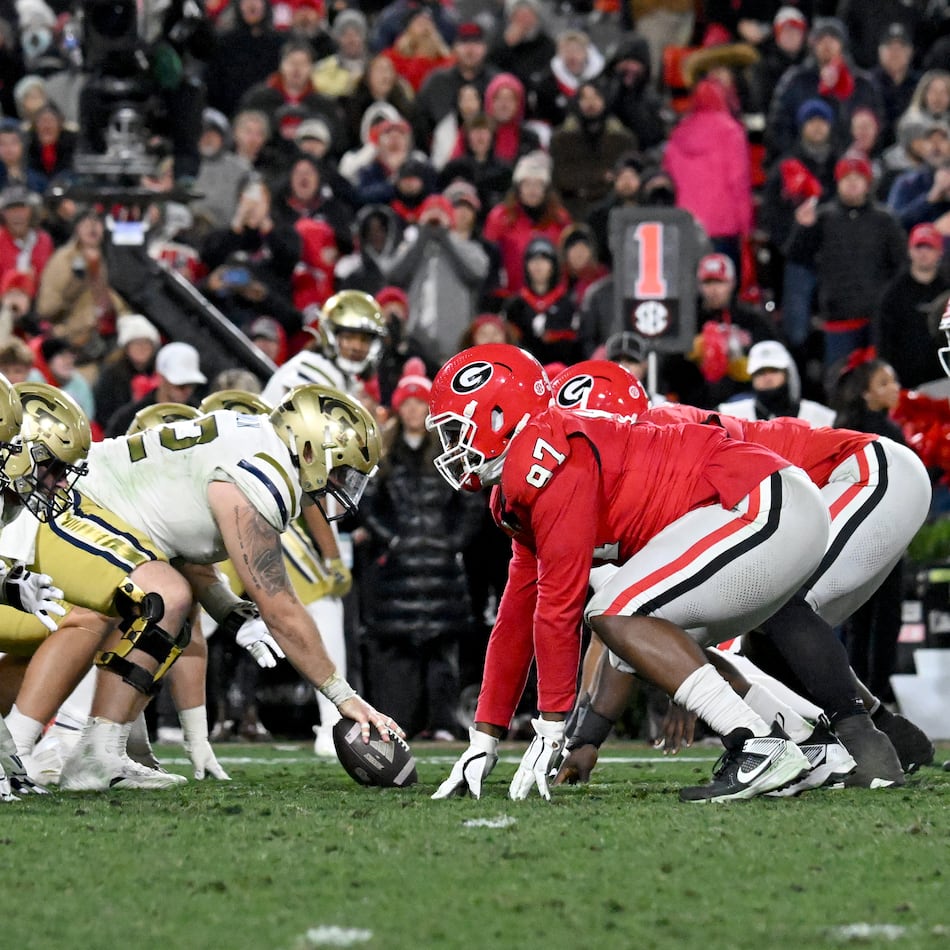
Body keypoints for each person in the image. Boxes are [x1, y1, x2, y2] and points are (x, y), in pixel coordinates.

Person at [428, 343, 831, 802]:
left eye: (455, 428)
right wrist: (485, 739)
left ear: (499, 417)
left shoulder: (551, 457)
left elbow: (558, 610)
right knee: (640, 636)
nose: (451, 445)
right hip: (771, 509)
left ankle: (757, 743)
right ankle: (812, 744)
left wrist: (551, 728)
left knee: (614, 611)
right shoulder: (518, 489)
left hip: (759, 503)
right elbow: (515, 621)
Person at [549, 360, 933, 786]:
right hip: (835, 491)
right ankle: (886, 731)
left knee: (780, 600)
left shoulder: (661, 437)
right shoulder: (623, 483)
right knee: (763, 637)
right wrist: (587, 737)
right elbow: (629, 633)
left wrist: (685, 682)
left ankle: (865, 749)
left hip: (862, 472)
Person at [12, 384, 403, 791]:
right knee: (164, 598)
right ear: (309, 448)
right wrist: (344, 697)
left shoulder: (250, 443)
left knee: (174, 609)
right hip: (70, 503)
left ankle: (101, 750)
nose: (342, 484)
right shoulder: (262, 470)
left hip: (93, 507)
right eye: (341, 470)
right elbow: (280, 606)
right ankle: (59, 750)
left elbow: (179, 542)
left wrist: (231, 612)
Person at [359, 365, 482, 740]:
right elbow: (365, 500)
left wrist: (453, 542)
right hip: (398, 571)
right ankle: (402, 721)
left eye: (420, 403)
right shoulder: (383, 452)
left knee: (442, 652)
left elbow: (472, 500)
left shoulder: (448, 450)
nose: (413, 411)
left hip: (442, 569)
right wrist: (391, 540)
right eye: (407, 403)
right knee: (399, 654)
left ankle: (443, 722)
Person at [785, 153, 905, 372]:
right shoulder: (822, 218)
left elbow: (900, 265)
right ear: (838, 182)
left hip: (877, 320)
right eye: (846, 177)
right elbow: (796, 257)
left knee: (879, 379)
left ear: (867, 183)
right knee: (840, 380)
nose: (851, 182)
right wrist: (802, 228)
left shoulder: (885, 220)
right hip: (838, 317)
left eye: (857, 177)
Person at [876, 223, 949, 390]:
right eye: (919, 247)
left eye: (929, 247)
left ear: (940, 252)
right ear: (910, 251)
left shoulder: (947, 289)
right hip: (906, 384)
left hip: (944, 380)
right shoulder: (893, 293)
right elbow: (884, 342)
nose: (923, 253)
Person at [718, 340, 836, 426]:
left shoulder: (820, 418)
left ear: (787, 373)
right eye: (760, 372)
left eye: (774, 371)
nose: (767, 378)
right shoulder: (731, 416)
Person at [105, 341, 206, 438]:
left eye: (191, 384)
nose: (187, 391)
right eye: (180, 385)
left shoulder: (201, 419)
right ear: (161, 378)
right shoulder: (128, 419)